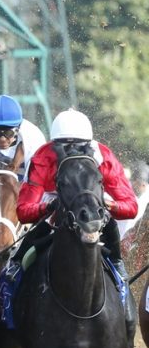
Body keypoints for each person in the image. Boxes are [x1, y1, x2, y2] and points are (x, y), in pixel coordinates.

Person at [9, 108, 138, 281]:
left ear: (89, 143)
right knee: (45, 222)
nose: (71, 151)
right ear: (54, 144)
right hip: (55, 201)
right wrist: (47, 207)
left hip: (92, 200)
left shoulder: (104, 156)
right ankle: (17, 265)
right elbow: (23, 212)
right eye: (64, 146)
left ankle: (116, 260)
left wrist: (109, 204)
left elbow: (131, 207)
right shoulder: (42, 157)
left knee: (108, 218)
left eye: (78, 145)